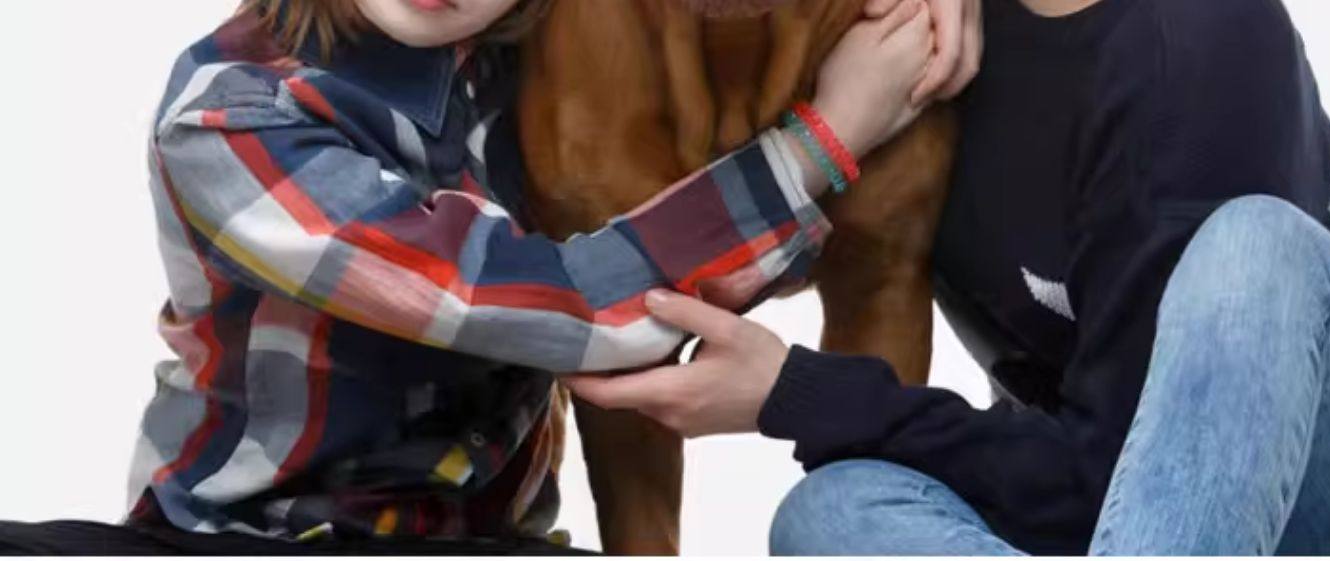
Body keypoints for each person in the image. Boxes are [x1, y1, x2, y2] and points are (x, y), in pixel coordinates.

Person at [0, 0, 941, 554]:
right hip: (254, 538)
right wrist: (823, 142)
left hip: (498, 541)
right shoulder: (232, 117)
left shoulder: (519, 55)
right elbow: (567, 307)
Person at [566, 0, 1330, 555]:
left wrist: (794, 391)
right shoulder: (928, 37)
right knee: (834, 517)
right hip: (1117, 521)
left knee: (1254, 249)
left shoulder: (1202, 36)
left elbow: (1114, 471)